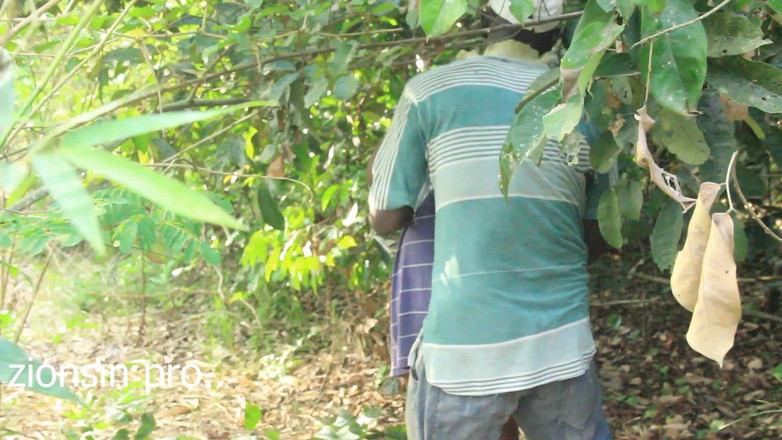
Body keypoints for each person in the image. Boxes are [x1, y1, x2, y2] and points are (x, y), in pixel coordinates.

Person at [367, 1, 616, 439]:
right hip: (562, 345)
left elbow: (385, 216)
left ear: (481, 18)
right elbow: (601, 233)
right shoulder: (583, 104)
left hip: (463, 354)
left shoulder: (429, 92)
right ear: (559, 36)